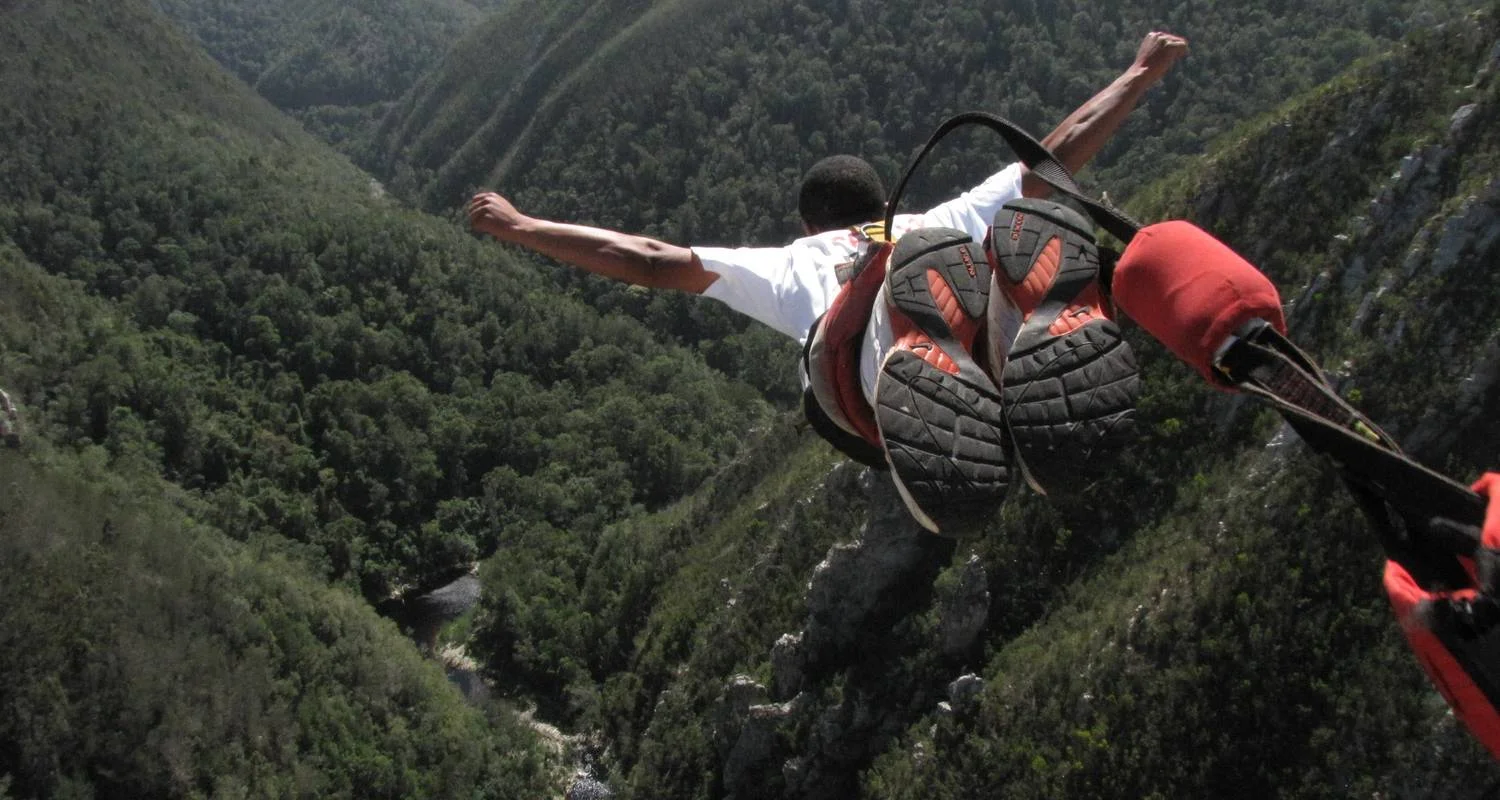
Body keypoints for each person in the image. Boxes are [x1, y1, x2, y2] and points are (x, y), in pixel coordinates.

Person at [469, 31, 1189, 533]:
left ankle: (912, 346)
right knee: (998, 245)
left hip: (874, 381)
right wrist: (1140, 73)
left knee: (838, 365)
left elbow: (652, 260)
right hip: (958, 292)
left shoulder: (794, 262)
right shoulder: (938, 218)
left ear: (811, 223)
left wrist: (523, 226)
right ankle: (1021, 325)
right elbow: (1054, 156)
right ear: (882, 204)